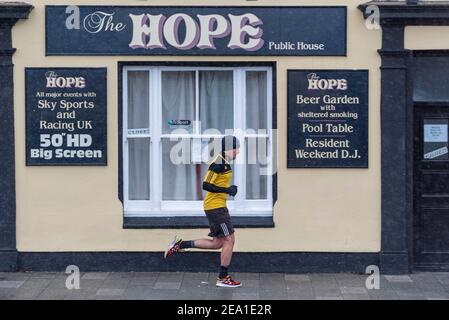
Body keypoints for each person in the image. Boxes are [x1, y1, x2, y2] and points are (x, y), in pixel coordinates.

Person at [164, 135, 242, 288]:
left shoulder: (224, 162)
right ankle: (223, 277)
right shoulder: (218, 163)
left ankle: (180, 245)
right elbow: (206, 185)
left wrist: (226, 191)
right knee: (229, 241)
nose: (237, 153)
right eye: (236, 149)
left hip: (218, 207)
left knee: (218, 243)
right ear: (229, 149)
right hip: (215, 208)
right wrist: (227, 189)